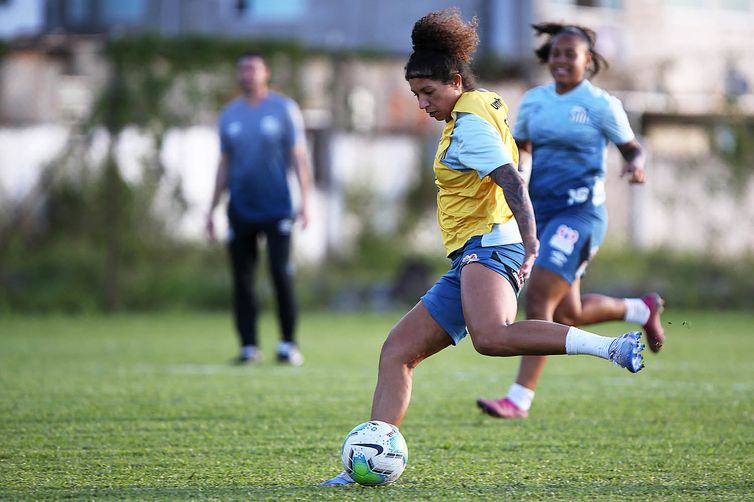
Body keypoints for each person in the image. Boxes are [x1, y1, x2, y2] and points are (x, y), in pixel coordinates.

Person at [323, 9, 645, 486]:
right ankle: (369, 462)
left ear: (455, 80)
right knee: (397, 352)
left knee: (491, 336)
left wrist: (530, 238)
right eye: (416, 95)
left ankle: (611, 347)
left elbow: (511, 180)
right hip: (475, 252)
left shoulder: (470, 125)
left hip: (492, 248)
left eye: (427, 93)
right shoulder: (479, 103)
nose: (422, 104)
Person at [476, 23, 665, 420]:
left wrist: (636, 167)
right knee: (569, 315)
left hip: (580, 214)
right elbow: (522, 151)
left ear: (588, 61)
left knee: (540, 291)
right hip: (540, 214)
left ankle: (518, 399)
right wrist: (515, 178)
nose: (561, 60)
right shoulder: (533, 102)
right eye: (556, 53)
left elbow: (633, 149)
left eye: (570, 54)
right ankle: (641, 310)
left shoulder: (601, 105)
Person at [206, 51, 312, 365]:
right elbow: (224, 164)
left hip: (277, 207)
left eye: (253, 69)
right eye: (242, 69)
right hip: (240, 208)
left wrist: (306, 202)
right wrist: (211, 209)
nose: (247, 74)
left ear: (265, 73)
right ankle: (249, 347)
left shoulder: (283, 109)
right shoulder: (229, 115)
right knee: (242, 280)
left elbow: (299, 158)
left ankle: (287, 344)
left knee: (281, 275)